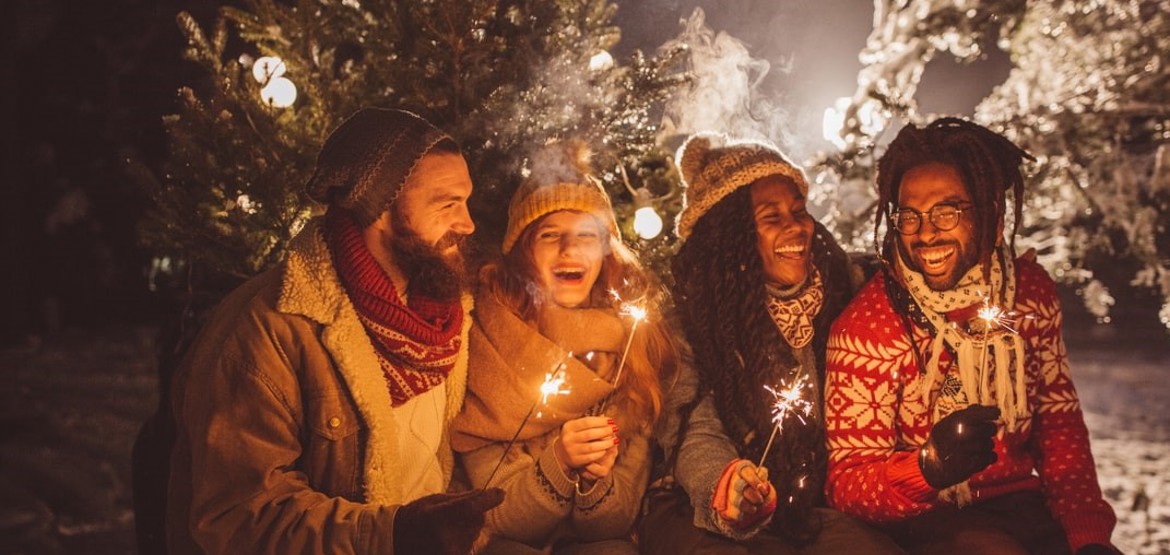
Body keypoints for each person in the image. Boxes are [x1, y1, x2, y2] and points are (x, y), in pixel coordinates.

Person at [166, 107, 504, 555]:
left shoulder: (442, 317)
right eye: (447, 205)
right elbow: (239, 516)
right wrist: (393, 535)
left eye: (466, 201)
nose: (467, 224)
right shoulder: (269, 330)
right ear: (379, 209)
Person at [823, 117, 1118, 554]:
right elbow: (846, 483)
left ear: (992, 215)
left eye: (947, 212)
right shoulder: (870, 328)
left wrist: (1087, 534)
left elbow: (1058, 424)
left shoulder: (1029, 294)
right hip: (928, 518)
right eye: (910, 216)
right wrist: (927, 468)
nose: (925, 233)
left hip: (1023, 504)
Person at [639, 133, 904, 554]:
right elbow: (695, 432)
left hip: (812, 503)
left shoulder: (844, 287)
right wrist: (729, 487)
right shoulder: (691, 321)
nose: (796, 227)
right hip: (703, 503)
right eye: (772, 217)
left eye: (798, 211)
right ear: (733, 238)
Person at [450, 142, 678, 554]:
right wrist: (557, 463)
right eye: (549, 235)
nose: (569, 250)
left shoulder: (633, 348)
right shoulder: (489, 338)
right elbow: (497, 514)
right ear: (523, 251)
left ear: (606, 250)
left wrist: (595, 481)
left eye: (586, 236)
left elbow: (614, 522)